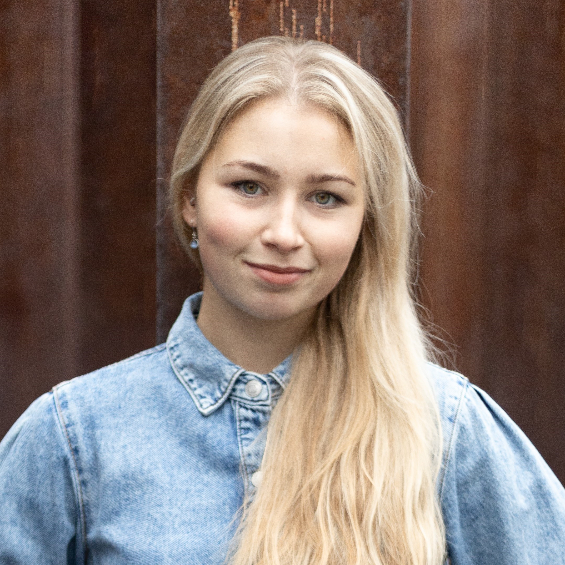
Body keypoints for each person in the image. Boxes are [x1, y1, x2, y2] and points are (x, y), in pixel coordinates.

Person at [0, 36, 564, 565]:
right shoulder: (72, 439)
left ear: (366, 223)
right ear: (190, 198)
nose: (284, 233)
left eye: (326, 197)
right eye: (249, 187)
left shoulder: (444, 427)